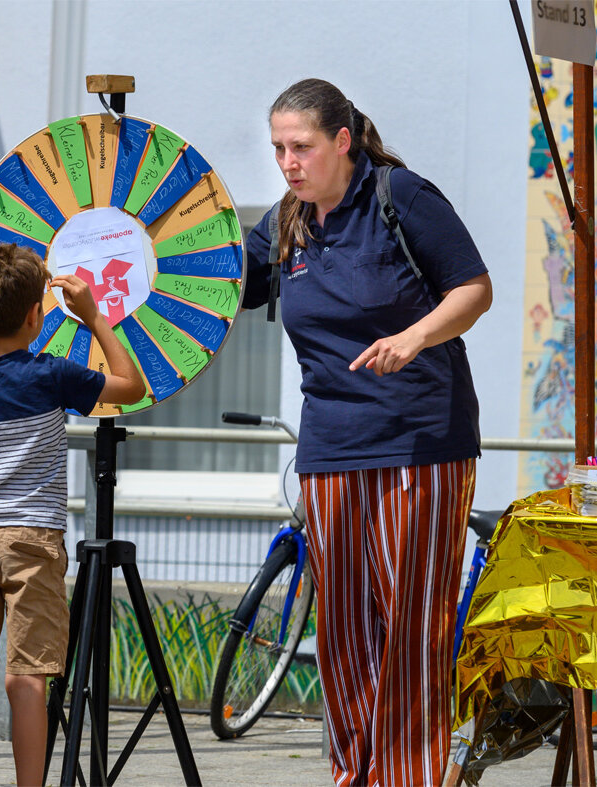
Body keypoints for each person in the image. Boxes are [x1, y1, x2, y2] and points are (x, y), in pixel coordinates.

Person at [241, 78, 492, 786]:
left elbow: (473, 288)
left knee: (408, 628)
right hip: (329, 451)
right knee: (344, 636)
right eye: (278, 149)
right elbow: (218, 285)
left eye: (301, 147)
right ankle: (353, 775)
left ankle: (406, 776)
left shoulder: (399, 196)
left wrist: (413, 336)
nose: (288, 162)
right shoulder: (285, 223)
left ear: (341, 141)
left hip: (418, 440)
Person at [0, 243, 145, 787]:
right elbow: (130, 386)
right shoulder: (50, 376)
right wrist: (94, 316)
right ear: (33, 315)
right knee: (26, 679)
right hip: (34, 542)